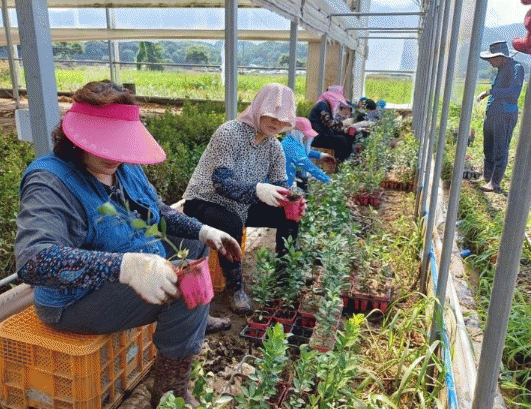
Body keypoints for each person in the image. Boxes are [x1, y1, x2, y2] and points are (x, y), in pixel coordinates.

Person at [14, 80, 241, 408]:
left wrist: (203, 230)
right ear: (74, 137)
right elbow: (34, 261)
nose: (113, 157)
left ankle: (192, 322)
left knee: (192, 249)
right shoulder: (50, 181)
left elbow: (156, 213)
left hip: (131, 258)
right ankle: (170, 391)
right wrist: (124, 267)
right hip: (75, 299)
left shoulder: (123, 167)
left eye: (120, 147)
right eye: (104, 146)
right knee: (181, 287)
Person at [181, 83, 303, 313]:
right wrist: (257, 190)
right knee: (231, 223)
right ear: (258, 108)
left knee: (287, 216)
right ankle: (235, 287)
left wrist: (291, 201)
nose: (275, 123)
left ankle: (284, 277)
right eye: (271, 116)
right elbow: (221, 183)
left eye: (282, 120)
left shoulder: (274, 147)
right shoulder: (229, 133)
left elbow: (280, 186)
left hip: (241, 204)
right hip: (205, 200)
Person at [476, 41, 524, 194]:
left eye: (491, 59)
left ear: (500, 57)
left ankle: (494, 183)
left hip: (505, 114)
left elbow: (513, 93)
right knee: (488, 147)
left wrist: (489, 92)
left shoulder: (516, 68)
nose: (489, 62)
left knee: (500, 149)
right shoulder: (501, 69)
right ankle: (487, 178)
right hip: (493, 113)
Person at [309, 85, 367, 162]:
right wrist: (343, 124)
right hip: (317, 136)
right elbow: (329, 123)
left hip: (324, 134)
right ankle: (340, 161)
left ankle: (348, 160)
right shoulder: (323, 105)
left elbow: (332, 126)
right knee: (341, 140)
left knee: (349, 137)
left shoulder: (327, 106)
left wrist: (346, 130)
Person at [281, 117, 335, 190]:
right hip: (283, 185)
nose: (307, 138)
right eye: (305, 135)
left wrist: (321, 155)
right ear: (298, 133)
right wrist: (330, 182)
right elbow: (310, 167)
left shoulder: (290, 140)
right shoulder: (292, 147)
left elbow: (304, 152)